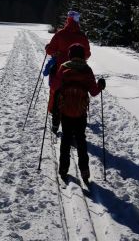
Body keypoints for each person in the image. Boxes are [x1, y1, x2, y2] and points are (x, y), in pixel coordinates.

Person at [53, 43, 105, 184]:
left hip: (65, 110)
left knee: (66, 138)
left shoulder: (63, 67)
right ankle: (84, 171)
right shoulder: (87, 70)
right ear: (82, 55)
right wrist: (101, 85)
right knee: (81, 140)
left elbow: (55, 86)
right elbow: (94, 92)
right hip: (80, 112)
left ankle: (63, 169)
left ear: (70, 54)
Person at [45, 10, 91, 134]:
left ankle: (55, 124)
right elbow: (87, 54)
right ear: (77, 21)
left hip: (61, 69)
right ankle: (76, 127)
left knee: (57, 93)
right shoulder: (82, 36)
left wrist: (49, 48)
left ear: (68, 20)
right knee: (77, 96)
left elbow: (50, 50)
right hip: (79, 71)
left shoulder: (61, 34)